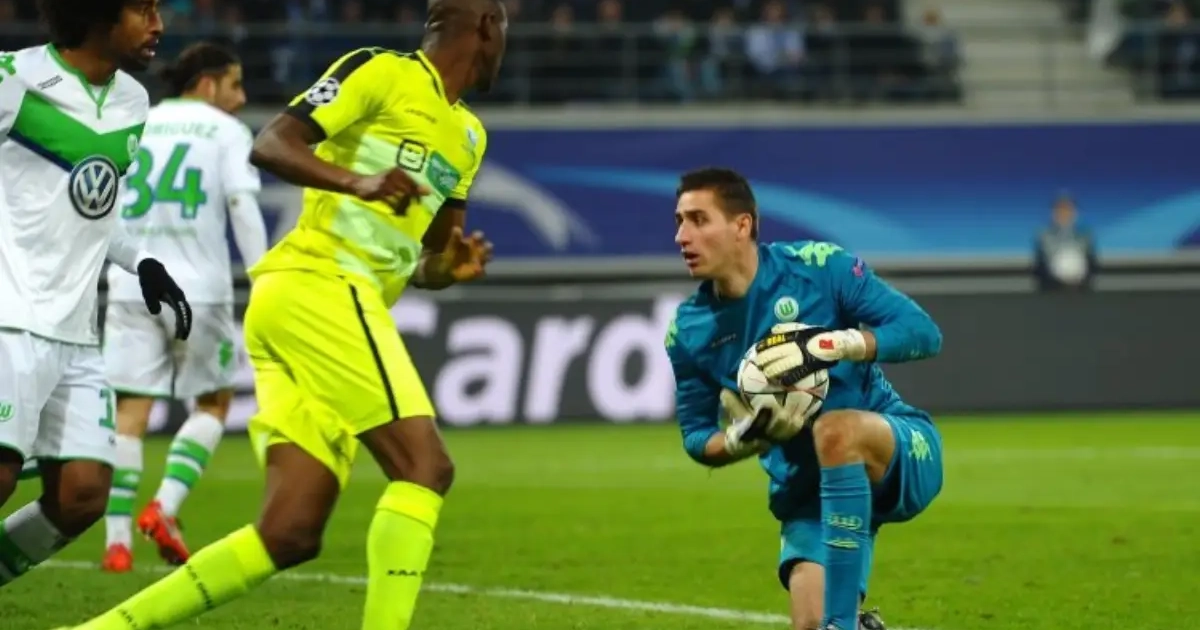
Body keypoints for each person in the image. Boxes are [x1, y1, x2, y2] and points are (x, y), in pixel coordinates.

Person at [55, 0, 505, 628]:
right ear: (487, 26)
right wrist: (357, 181)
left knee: (289, 532)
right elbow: (272, 144)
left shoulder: (469, 136)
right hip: (321, 285)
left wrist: (446, 269)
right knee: (424, 467)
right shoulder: (380, 71)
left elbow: (426, 255)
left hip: (314, 305)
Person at [665, 168, 944, 630]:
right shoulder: (688, 331)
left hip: (897, 451)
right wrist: (741, 441)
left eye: (698, 220)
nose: (681, 236)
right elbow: (696, 436)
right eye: (679, 221)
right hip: (808, 493)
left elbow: (923, 333)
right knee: (808, 626)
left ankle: (843, 624)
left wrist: (840, 344)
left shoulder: (819, 267)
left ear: (742, 225)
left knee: (836, 431)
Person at [0, 0, 192, 587]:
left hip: (77, 331)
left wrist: (143, 261)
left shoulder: (133, 101)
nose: (158, 25)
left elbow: (98, 206)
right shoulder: (14, 79)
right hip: (10, 317)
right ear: (98, 13)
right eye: (143, 10)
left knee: (83, 495)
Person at [100, 41, 267, 573]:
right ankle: (164, 508)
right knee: (213, 403)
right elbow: (241, 204)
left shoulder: (136, 120)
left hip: (132, 283)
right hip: (199, 289)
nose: (242, 98)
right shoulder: (226, 131)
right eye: (235, 84)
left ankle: (116, 544)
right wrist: (262, 275)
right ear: (207, 84)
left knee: (129, 413)